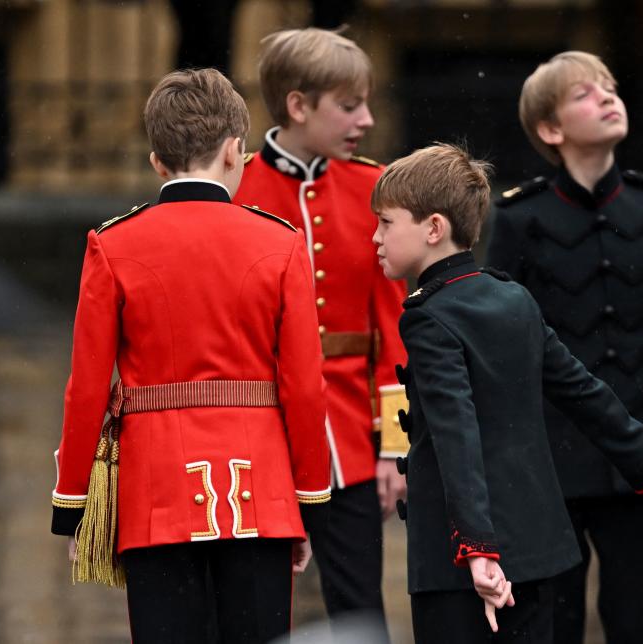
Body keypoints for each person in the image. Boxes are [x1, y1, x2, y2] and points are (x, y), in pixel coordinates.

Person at [370, 143, 643, 644]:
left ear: (433, 228)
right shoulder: (511, 297)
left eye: (386, 222)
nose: (375, 237)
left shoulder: (428, 317)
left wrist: (476, 546)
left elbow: (457, 437)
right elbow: (585, 393)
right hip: (536, 550)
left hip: (463, 562)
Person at [49, 68, 331, 643]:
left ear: (157, 161)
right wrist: (307, 501)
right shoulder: (279, 242)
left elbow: (85, 388)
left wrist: (74, 504)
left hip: (156, 497)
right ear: (236, 151)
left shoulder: (114, 242)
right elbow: (304, 385)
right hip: (260, 495)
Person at [486, 51, 643, 644]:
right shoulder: (519, 216)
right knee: (553, 621)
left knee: (641, 620)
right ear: (551, 129)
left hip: (640, 458)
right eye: (585, 94)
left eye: (611, 87)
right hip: (551, 459)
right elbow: (502, 350)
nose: (608, 97)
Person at [234, 27, 408, 638]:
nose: (366, 118)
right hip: (263, 436)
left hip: (354, 441)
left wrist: (395, 446)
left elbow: (394, 330)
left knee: (362, 609)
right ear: (299, 105)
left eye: (365, 101)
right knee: (259, 610)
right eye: (348, 104)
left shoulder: (373, 188)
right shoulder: (237, 190)